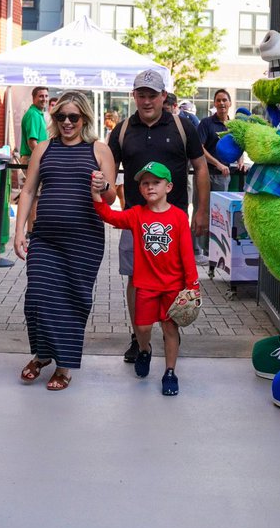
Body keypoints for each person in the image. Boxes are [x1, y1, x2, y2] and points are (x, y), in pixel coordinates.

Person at [13, 91, 115, 390]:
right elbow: (29, 191)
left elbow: (111, 197)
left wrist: (104, 185)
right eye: (61, 117)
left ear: (84, 117)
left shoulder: (98, 149)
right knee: (38, 297)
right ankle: (43, 354)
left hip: (85, 240)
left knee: (73, 301)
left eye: (73, 117)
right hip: (45, 237)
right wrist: (19, 231)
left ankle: (64, 366)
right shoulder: (44, 148)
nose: (67, 122)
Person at [108, 69, 208, 364]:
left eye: (153, 95)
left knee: (174, 280)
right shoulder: (123, 130)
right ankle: (139, 339)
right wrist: (106, 197)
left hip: (174, 221)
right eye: (142, 94)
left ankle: (170, 329)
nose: (147, 100)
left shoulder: (182, 126)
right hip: (135, 221)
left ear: (164, 97)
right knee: (135, 281)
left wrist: (200, 210)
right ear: (134, 96)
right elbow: (110, 171)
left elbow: (201, 168)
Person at [92, 161, 199, 396]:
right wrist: (96, 194)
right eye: (145, 183)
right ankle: (144, 349)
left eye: (156, 183)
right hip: (145, 285)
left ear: (169, 187)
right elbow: (110, 216)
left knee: (170, 329)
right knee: (142, 326)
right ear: (140, 189)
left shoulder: (179, 217)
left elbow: (187, 254)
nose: (150, 187)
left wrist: (193, 285)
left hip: (172, 286)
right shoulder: (136, 215)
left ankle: (170, 372)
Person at [194, 89, 236, 260]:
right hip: (205, 174)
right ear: (214, 103)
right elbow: (200, 148)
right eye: (218, 100)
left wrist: (240, 162)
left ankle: (215, 252)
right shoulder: (206, 123)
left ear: (230, 103)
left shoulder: (233, 126)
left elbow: (238, 147)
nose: (221, 103)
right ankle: (196, 251)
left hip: (223, 177)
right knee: (200, 210)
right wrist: (217, 164)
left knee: (220, 215)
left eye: (224, 100)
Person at [20, 86, 49, 158]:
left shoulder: (38, 113)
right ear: (33, 98)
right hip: (32, 158)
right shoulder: (33, 114)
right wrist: (42, 158)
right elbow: (32, 142)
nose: (44, 99)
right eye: (41, 96)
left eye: (46, 96)